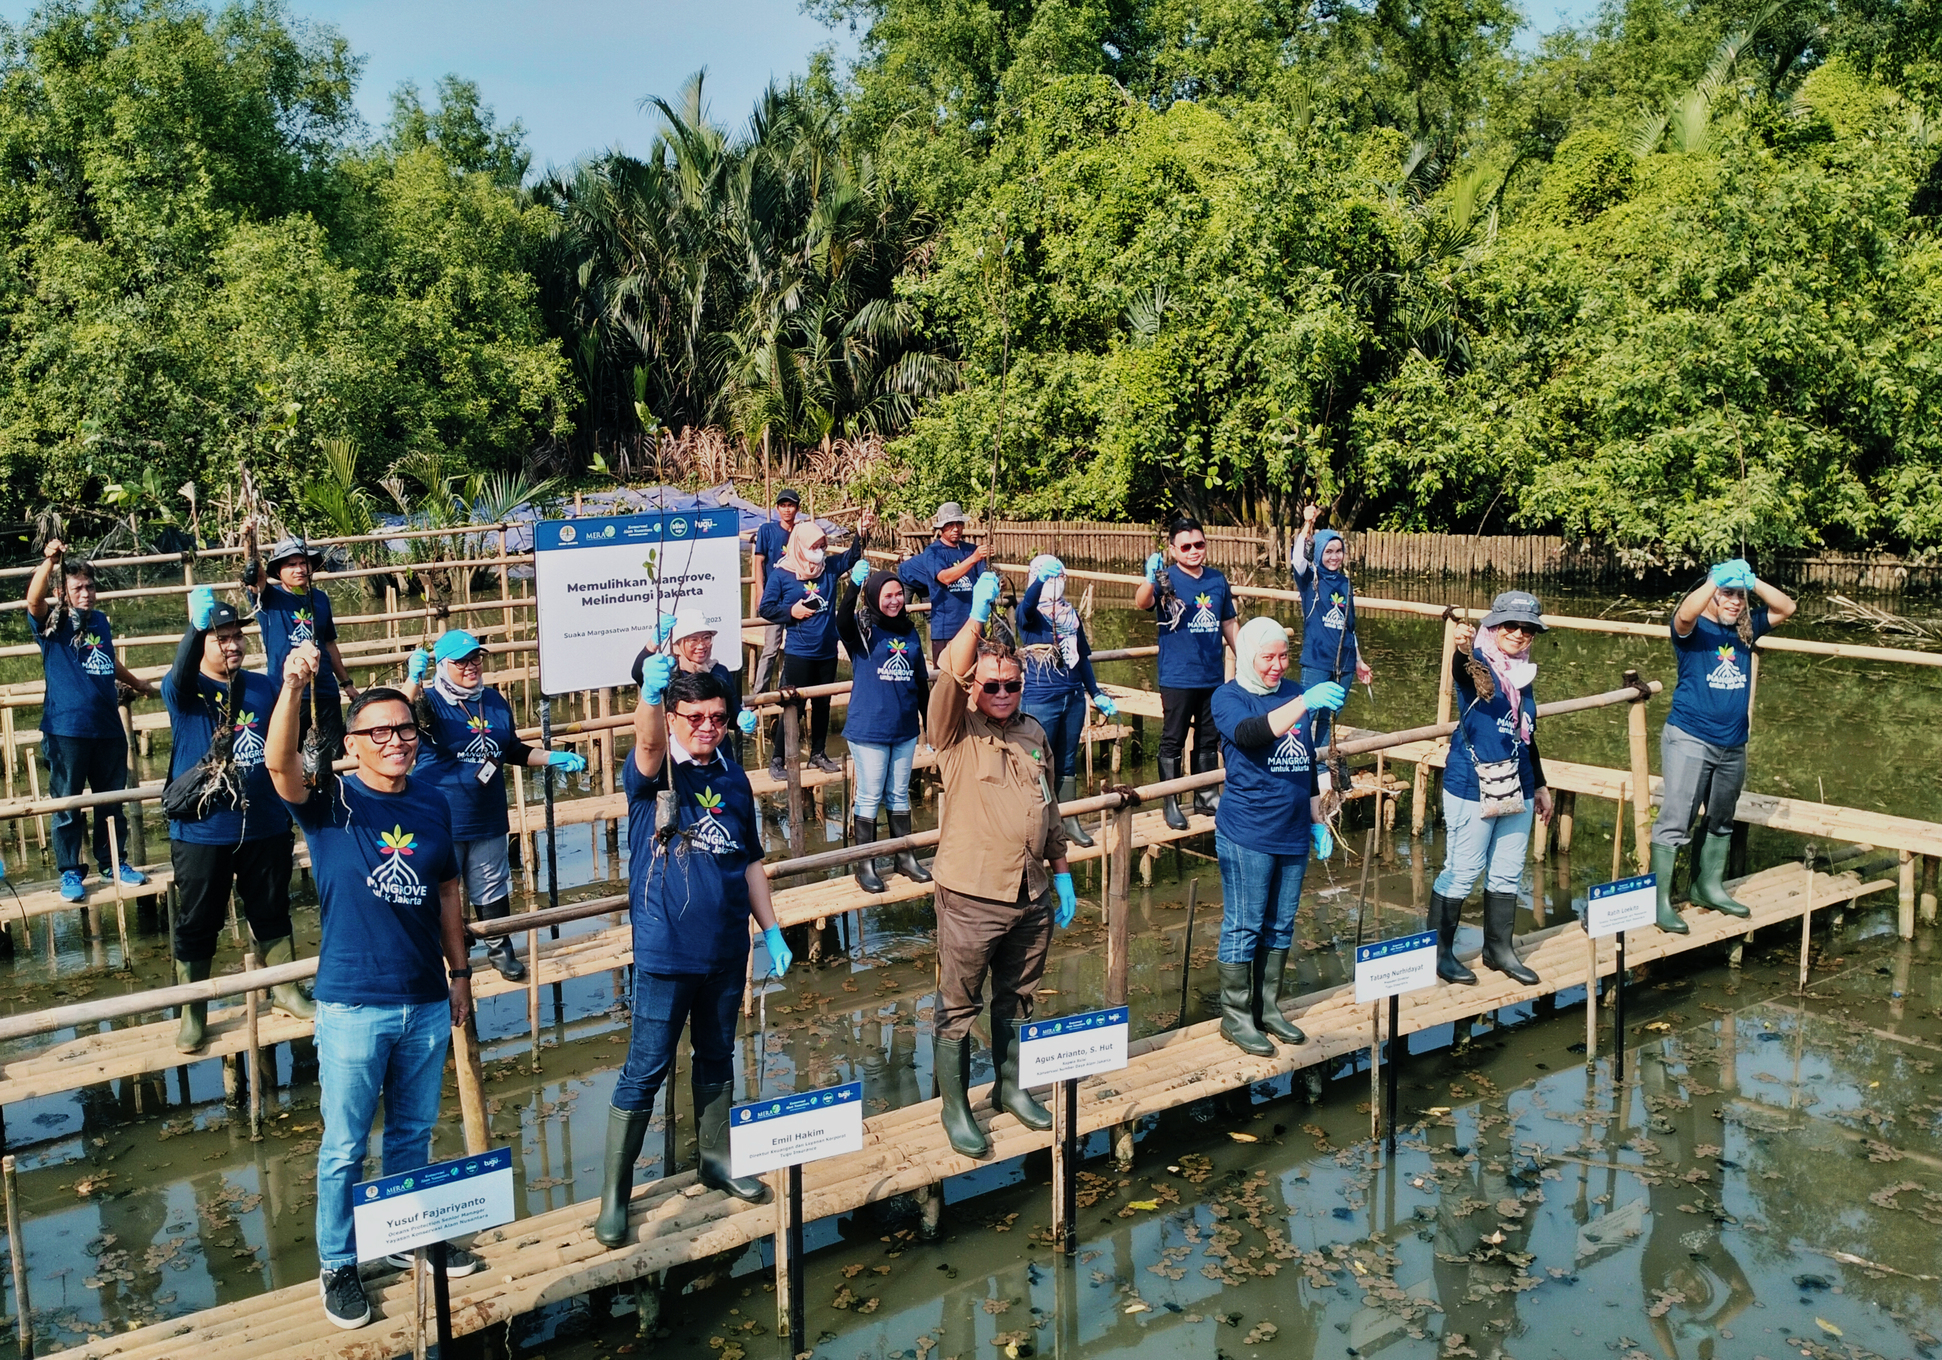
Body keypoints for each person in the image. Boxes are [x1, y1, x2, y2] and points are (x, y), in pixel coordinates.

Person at [265, 644, 478, 1330]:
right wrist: (295, 686)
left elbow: (448, 890)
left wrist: (461, 975)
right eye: (377, 733)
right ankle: (338, 1262)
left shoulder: (433, 801)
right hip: (354, 1003)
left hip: (423, 999)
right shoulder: (329, 802)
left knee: (413, 1133)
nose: (394, 742)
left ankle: (404, 1239)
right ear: (352, 745)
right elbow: (278, 765)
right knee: (345, 1145)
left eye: (404, 730)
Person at [594, 661, 792, 1248]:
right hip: (666, 950)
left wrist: (772, 929)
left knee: (717, 1055)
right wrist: (648, 696)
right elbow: (648, 740)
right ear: (675, 716)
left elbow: (749, 859)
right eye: (696, 717)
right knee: (646, 1069)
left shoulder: (733, 778)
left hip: (728, 947)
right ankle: (615, 1194)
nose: (708, 727)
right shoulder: (654, 776)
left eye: (719, 718)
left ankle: (716, 1160)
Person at [927, 573, 1079, 1159]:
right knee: (958, 1006)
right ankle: (955, 1105)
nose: (1001, 693)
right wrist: (973, 615)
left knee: (1018, 997)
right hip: (971, 895)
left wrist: (1061, 869)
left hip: (1031, 892)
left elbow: (1049, 804)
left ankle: (1010, 1086)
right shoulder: (955, 729)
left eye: (1011, 685)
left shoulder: (1033, 730)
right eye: (990, 685)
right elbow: (947, 674)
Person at [163, 587, 311, 1053]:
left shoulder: (263, 686)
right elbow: (181, 671)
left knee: (271, 908)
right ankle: (193, 1010)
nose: (231, 645)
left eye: (235, 637)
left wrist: (298, 683)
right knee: (197, 918)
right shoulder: (186, 693)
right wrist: (194, 627)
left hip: (265, 821)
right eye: (219, 637)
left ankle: (285, 990)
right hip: (203, 829)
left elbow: (290, 736)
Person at [402, 629, 586, 981]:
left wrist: (552, 758)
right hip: (441, 815)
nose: (471, 667)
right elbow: (396, 716)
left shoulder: (495, 701)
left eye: (476, 659)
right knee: (441, 887)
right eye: (461, 662)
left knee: (491, 883)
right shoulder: (429, 702)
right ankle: (447, 954)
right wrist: (413, 680)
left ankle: (501, 951)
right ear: (442, 666)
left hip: (486, 814)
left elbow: (512, 750)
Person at [1208, 617, 1342, 1054]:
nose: (1277, 665)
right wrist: (1305, 701)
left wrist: (1318, 820)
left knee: (1281, 923)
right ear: (1248, 656)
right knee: (1244, 924)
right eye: (1267, 657)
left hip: (1292, 827)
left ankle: (1268, 1006)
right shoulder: (1228, 697)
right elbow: (1251, 734)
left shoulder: (1293, 691)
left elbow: (1304, 766)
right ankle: (1236, 1016)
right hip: (1247, 829)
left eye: (1284, 655)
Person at [1649, 559, 1796, 932]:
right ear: (1712, 594)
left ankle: (1707, 887)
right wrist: (1714, 580)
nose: (1734, 601)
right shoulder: (1693, 629)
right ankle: (1659, 902)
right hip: (1690, 737)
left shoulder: (1747, 629)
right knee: (1676, 820)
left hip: (1733, 742)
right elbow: (1684, 613)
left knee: (1721, 818)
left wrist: (1755, 581)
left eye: (1739, 595)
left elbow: (1786, 607)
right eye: (1726, 594)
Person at [1430, 592, 1554, 987]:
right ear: (1493, 626)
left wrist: (1540, 785)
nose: (1518, 634)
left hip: (1516, 782)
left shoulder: (1522, 673)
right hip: (1472, 783)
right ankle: (1440, 954)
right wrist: (1462, 647)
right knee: (1463, 872)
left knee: (1506, 873)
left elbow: (1526, 733)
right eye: (1510, 626)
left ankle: (1498, 950)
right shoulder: (1477, 662)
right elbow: (1462, 671)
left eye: (1528, 628)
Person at [25, 539, 157, 901]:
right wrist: (50, 561)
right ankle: (70, 871)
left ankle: (114, 862)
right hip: (66, 728)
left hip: (107, 727)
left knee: (111, 801)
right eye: (77, 588)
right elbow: (33, 601)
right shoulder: (54, 623)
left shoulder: (99, 621)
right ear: (62, 593)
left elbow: (107, 660)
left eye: (90, 586)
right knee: (67, 803)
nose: (86, 593)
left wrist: (137, 684)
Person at [1135, 517, 1239, 832]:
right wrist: (1150, 579)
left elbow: (1229, 622)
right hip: (1178, 675)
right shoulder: (1166, 579)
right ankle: (1170, 800)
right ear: (1173, 549)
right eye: (1186, 546)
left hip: (1211, 673)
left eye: (1199, 544)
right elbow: (1142, 604)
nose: (1193, 551)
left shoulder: (1217, 580)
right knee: (1173, 739)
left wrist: (1246, 658)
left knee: (1210, 737)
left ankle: (1206, 795)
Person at [836, 562, 932, 893]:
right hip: (869, 729)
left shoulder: (908, 631)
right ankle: (866, 864)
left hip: (904, 727)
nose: (894, 600)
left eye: (898, 595)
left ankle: (903, 857)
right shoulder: (863, 631)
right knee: (870, 794)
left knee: (899, 792)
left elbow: (921, 681)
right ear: (874, 597)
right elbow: (841, 619)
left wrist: (928, 721)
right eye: (887, 595)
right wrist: (852, 585)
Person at [756, 513, 875, 779]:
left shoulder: (829, 569)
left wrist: (861, 532)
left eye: (822, 546)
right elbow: (765, 607)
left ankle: (818, 754)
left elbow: (851, 557)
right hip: (800, 651)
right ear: (799, 546)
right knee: (793, 706)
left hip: (827, 649)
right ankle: (778, 759)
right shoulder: (782, 575)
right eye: (814, 547)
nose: (819, 552)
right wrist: (791, 611)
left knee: (823, 704)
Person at [1015, 555, 1119, 849]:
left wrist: (1095, 692)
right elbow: (1025, 608)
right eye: (1049, 576)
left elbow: (1082, 657)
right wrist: (1039, 582)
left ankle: (1068, 820)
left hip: (1073, 697)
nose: (1055, 582)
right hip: (1040, 699)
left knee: (1067, 760)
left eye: (1059, 576)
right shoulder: (1031, 615)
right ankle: (1039, 822)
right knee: (1037, 762)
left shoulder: (1071, 616)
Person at [244, 533, 360, 762]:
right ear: (278, 571)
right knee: (290, 757)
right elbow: (253, 575)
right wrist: (249, 539)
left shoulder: (320, 599)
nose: (298, 569)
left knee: (332, 758)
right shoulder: (269, 599)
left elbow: (329, 644)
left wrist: (346, 683)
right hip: (288, 691)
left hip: (325, 689)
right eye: (291, 564)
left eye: (302, 563)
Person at [1290, 504, 1373, 760]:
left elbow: (1350, 626)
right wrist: (1307, 524)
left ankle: (1323, 764)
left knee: (1330, 714)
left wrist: (1359, 661)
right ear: (1319, 554)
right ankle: (1297, 757)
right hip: (1317, 659)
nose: (1334, 557)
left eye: (1338, 551)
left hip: (1345, 661)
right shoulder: (1310, 578)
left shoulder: (1346, 583)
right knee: (1306, 713)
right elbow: (1298, 559)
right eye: (1328, 551)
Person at [899, 502, 989, 663]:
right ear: (941, 528)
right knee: (945, 681)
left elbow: (984, 580)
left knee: (978, 680)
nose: (956, 529)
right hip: (946, 628)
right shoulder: (932, 552)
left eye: (959, 524)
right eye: (950, 525)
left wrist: (995, 583)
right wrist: (974, 558)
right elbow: (945, 578)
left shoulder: (971, 549)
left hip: (974, 626)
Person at [748, 489, 802, 697]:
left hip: (796, 598)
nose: (787, 509)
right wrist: (760, 592)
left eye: (791, 505)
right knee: (770, 649)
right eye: (783, 505)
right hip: (775, 599)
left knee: (794, 649)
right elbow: (759, 561)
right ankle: (758, 695)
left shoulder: (799, 532)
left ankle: (785, 688)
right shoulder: (767, 530)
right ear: (777, 508)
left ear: (797, 508)